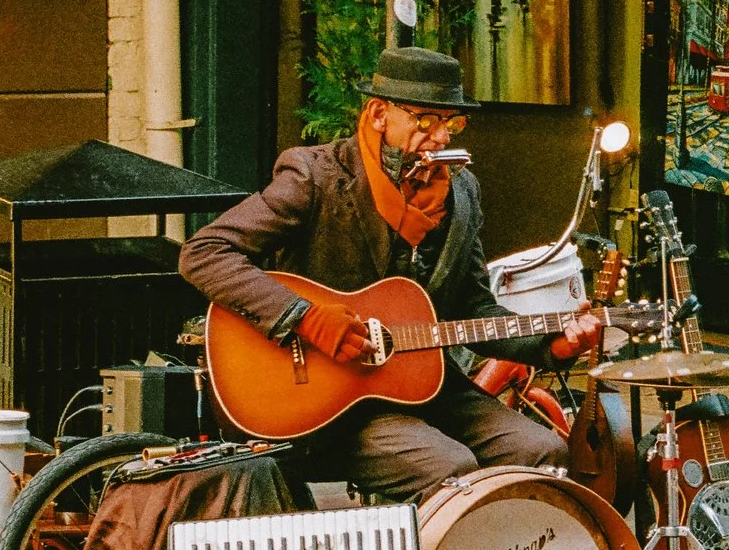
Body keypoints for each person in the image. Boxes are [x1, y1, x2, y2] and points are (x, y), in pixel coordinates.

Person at [179, 46, 602, 501]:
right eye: (426, 120)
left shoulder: (461, 192)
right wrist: (303, 316)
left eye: (451, 122)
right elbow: (203, 252)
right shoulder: (315, 175)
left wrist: (552, 345)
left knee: (544, 453)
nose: (441, 137)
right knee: (448, 469)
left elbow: (475, 309)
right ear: (380, 113)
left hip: (428, 383)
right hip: (335, 401)